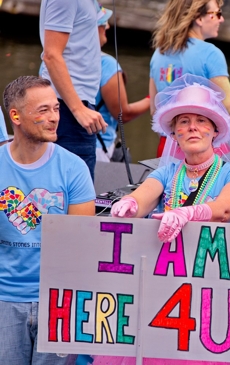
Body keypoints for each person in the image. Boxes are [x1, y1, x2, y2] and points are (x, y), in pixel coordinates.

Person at [92, 75, 230, 365]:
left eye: (201, 120)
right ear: (173, 133)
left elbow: (226, 208)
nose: (192, 127)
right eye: (183, 121)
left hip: (213, 298)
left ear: (215, 130)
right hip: (163, 296)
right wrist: (128, 204)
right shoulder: (167, 173)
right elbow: (145, 195)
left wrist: (190, 212)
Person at [0, 76, 96, 364]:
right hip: (4, 298)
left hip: (57, 300)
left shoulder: (74, 168)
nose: (54, 118)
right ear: (15, 116)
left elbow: (81, 244)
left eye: (55, 109)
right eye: (43, 110)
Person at [150, 0, 230, 157]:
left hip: (167, 148)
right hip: (200, 149)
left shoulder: (158, 53)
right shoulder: (211, 53)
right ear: (199, 19)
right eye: (217, 14)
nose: (221, 19)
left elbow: (154, 110)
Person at [40, 0, 107, 181]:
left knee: (74, 191)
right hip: (68, 109)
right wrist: (78, 109)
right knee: (75, 195)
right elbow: (51, 55)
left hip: (74, 105)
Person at [94, 5, 150, 162]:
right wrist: (153, 99)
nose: (108, 26)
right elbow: (123, 114)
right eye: (103, 22)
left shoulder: (51, 62)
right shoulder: (107, 65)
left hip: (60, 146)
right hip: (98, 152)